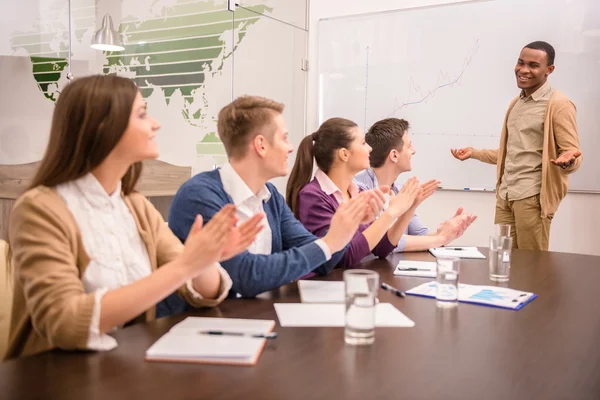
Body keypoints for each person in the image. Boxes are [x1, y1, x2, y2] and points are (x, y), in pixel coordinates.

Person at [5, 75, 262, 360]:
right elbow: (64, 323)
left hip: (124, 365)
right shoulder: (40, 209)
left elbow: (203, 292)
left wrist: (203, 261)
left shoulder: (135, 206)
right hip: (53, 376)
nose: (155, 124)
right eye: (142, 113)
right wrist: (186, 265)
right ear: (103, 126)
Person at [169, 96, 380, 298]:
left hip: (259, 316)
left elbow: (322, 260)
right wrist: (329, 243)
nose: (290, 147)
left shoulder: (271, 198)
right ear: (261, 145)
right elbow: (245, 276)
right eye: (284, 138)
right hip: (204, 325)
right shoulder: (199, 196)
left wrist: (346, 227)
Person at [451, 41, 582, 250]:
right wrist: (474, 153)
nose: (523, 70)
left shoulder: (558, 104)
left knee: (533, 267)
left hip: (532, 197)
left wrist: (568, 161)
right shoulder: (516, 103)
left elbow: (572, 155)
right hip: (506, 195)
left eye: (533, 65)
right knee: (504, 261)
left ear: (549, 70)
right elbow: (510, 153)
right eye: (520, 63)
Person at [286, 117, 439, 267]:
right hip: (325, 286)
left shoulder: (356, 192)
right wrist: (391, 213)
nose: (370, 148)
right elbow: (346, 256)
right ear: (344, 154)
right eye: (363, 143)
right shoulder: (313, 196)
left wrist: (408, 209)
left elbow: (382, 248)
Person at [355, 118, 477, 252]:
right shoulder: (360, 189)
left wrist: (449, 231)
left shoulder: (400, 189)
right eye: (409, 146)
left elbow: (419, 235)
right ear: (394, 155)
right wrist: (441, 238)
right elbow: (384, 242)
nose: (414, 150)